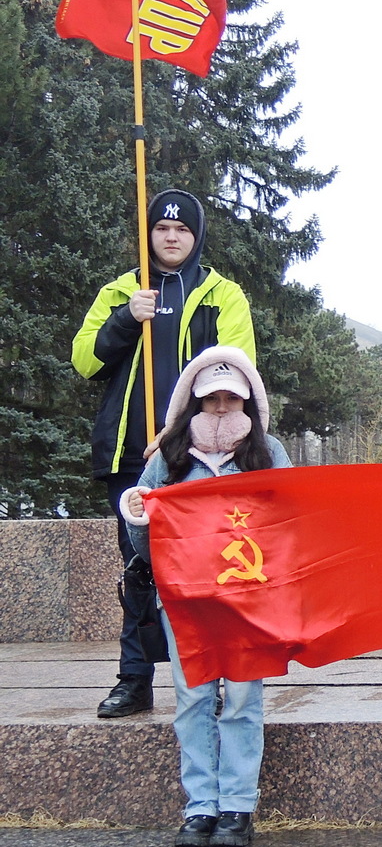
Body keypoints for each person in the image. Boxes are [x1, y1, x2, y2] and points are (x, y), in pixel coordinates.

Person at [73, 189, 256, 720]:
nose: (171, 237)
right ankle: (134, 679)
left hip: (201, 454)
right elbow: (84, 360)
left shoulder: (223, 295)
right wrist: (126, 318)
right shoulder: (120, 291)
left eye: (182, 229)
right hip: (131, 452)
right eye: (161, 228)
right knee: (139, 567)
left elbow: (237, 369)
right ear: (148, 233)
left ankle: (211, 673)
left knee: (208, 563)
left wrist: (175, 431)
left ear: (196, 236)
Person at [119, 347, 288, 847]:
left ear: (247, 402)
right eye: (211, 399)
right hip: (185, 601)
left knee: (242, 699)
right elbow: (145, 541)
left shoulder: (268, 452)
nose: (220, 407)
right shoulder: (167, 458)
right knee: (193, 700)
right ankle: (199, 807)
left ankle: (237, 806)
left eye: (230, 398)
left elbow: (289, 522)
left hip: (248, 602)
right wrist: (137, 515)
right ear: (194, 402)